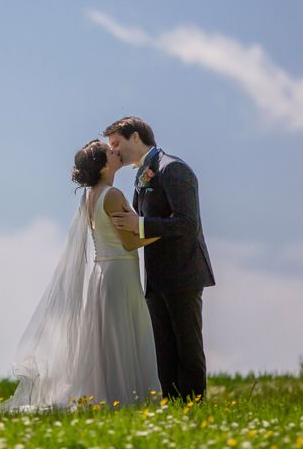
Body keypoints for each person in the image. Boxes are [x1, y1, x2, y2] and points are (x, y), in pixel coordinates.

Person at [0, 139, 160, 413]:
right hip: (118, 274)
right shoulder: (113, 194)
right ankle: (127, 400)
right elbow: (130, 243)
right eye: (110, 152)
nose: (116, 152)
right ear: (103, 165)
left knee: (110, 340)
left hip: (101, 274)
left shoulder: (89, 196)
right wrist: (165, 232)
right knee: (124, 336)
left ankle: (116, 399)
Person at [106, 116, 215, 402]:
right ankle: (171, 408)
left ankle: (193, 408)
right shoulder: (142, 175)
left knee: (187, 347)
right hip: (156, 279)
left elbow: (187, 223)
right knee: (163, 350)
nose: (115, 151)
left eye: (117, 143)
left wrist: (140, 225)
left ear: (136, 138)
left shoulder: (174, 169)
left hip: (183, 274)